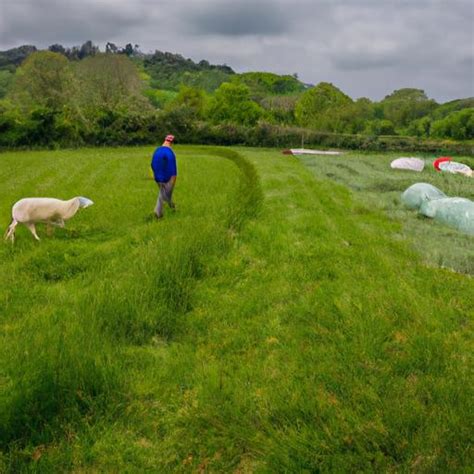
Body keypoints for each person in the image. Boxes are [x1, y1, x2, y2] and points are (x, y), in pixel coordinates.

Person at [151, 134, 177, 218]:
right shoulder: (170, 152)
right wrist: (173, 181)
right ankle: (157, 213)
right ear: (172, 142)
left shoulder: (157, 150)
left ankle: (173, 207)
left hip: (157, 177)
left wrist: (155, 175)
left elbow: (152, 164)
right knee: (163, 194)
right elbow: (173, 169)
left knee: (166, 194)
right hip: (167, 178)